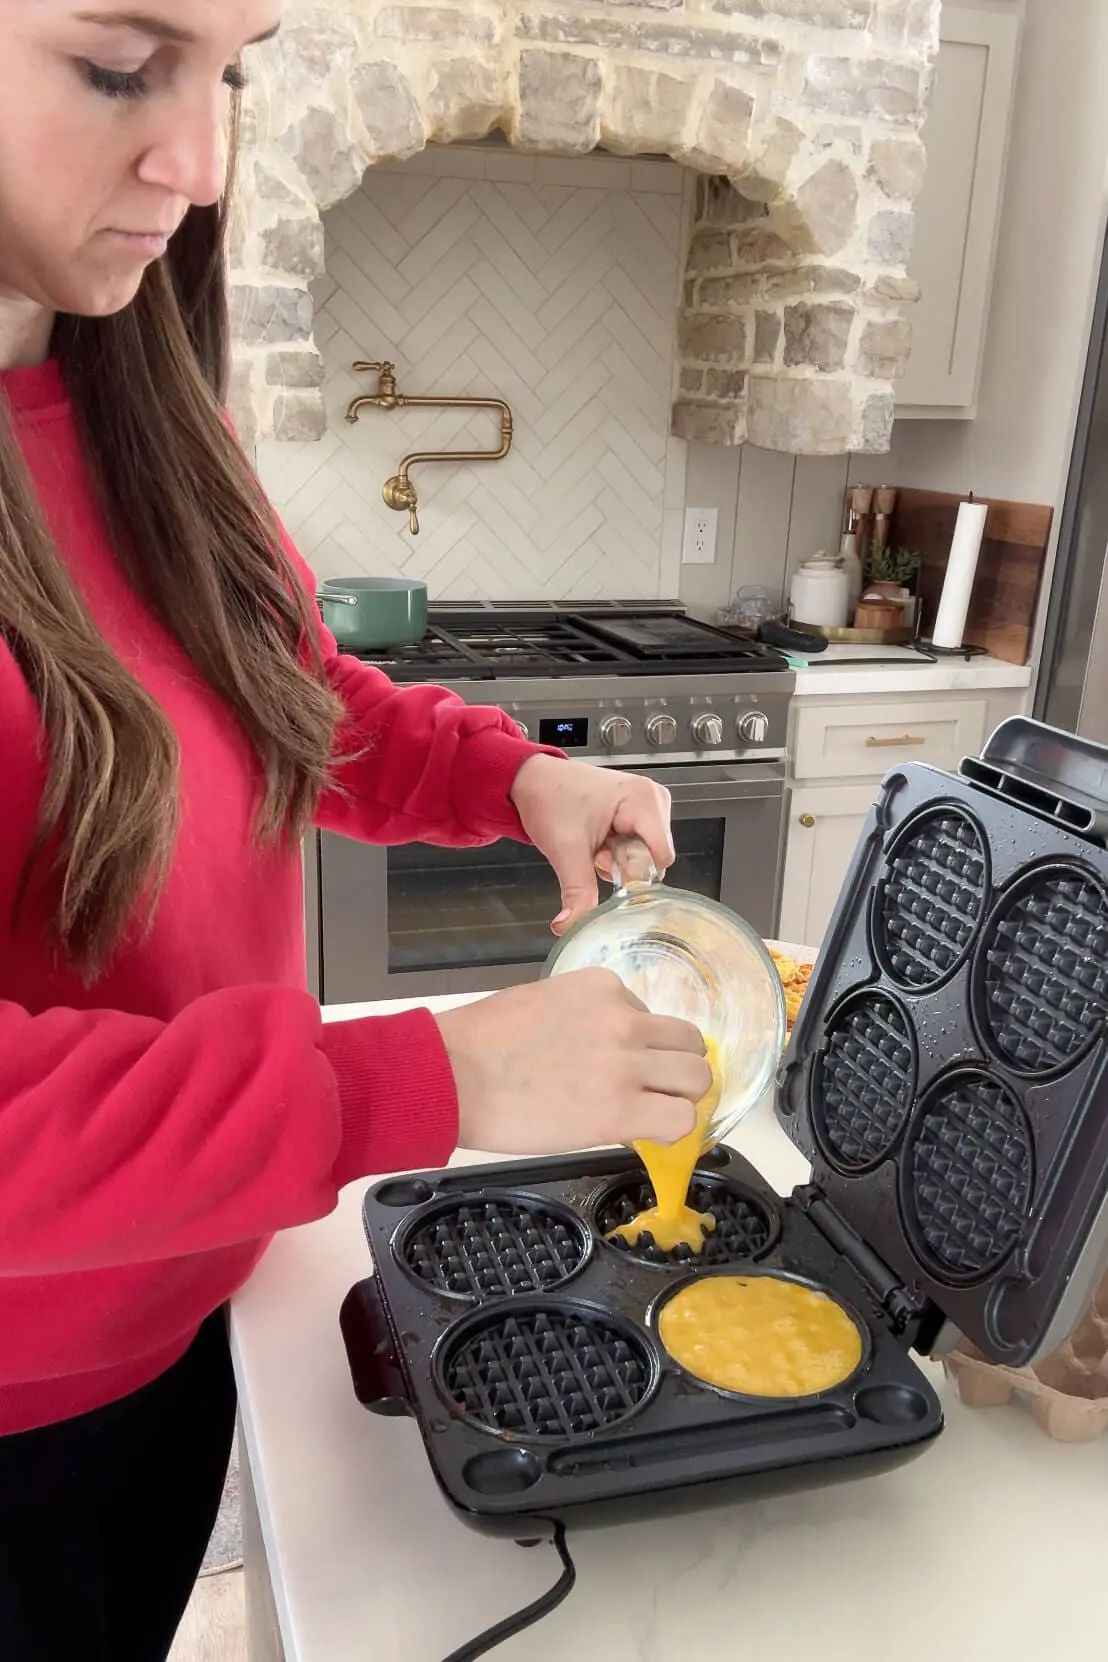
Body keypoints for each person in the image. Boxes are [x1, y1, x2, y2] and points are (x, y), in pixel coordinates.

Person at [0, 3, 713, 1657]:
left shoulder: (145, 404)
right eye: (118, 68)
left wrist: (510, 776)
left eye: (225, 71)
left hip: (191, 1311)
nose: (196, 161)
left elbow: (288, 691)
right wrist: (429, 1080)